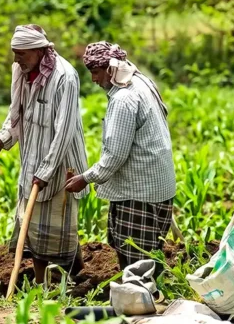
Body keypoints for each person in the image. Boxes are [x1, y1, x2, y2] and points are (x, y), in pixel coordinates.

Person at [0, 24, 89, 283]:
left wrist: (45, 172)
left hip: (61, 163)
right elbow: (15, 113)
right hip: (31, 157)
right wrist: (1, 137)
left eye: (22, 54)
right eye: (14, 53)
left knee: (57, 228)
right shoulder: (20, 71)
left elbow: (64, 131)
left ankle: (66, 278)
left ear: (40, 51)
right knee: (33, 229)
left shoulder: (65, 77)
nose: (16, 59)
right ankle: (48, 280)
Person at [65, 42, 176, 274]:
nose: (94, 79)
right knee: (148, 253)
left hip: (138, 192)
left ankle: (139, 301)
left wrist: (85, 178)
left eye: (95, 72)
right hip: (158, 187)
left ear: (110, 69)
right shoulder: (143, 82)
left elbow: (114, 155)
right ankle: (148, 296)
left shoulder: (123, 99)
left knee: (134, 258)